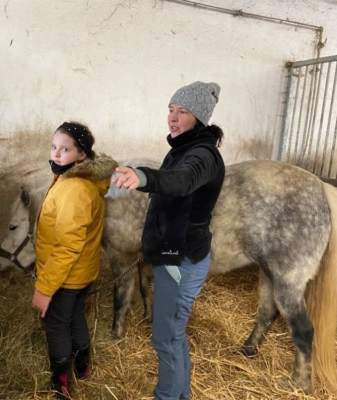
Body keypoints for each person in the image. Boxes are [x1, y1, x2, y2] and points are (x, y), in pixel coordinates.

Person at [113, 81, 225, 400]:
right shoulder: (182, 149)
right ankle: (181, 395)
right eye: (171, 110)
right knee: (173, 335)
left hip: (180, 261)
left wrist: (145, 176)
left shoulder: (202, 155)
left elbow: (182, 181)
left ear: (199, 118)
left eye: (183, 111)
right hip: (175, 255)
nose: (173, 118)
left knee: (165, 338)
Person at [32, 121, 117, 399]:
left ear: (82, 155)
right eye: (54, 147)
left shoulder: (74, 189)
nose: (56, 154)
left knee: (57, 324)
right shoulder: (73, 179)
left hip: (66, 276)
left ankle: (60, 384)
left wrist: (45, 288)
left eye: (65, 149)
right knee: (75, 317)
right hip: (82, 272)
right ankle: (82, 368)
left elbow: (68, 245)